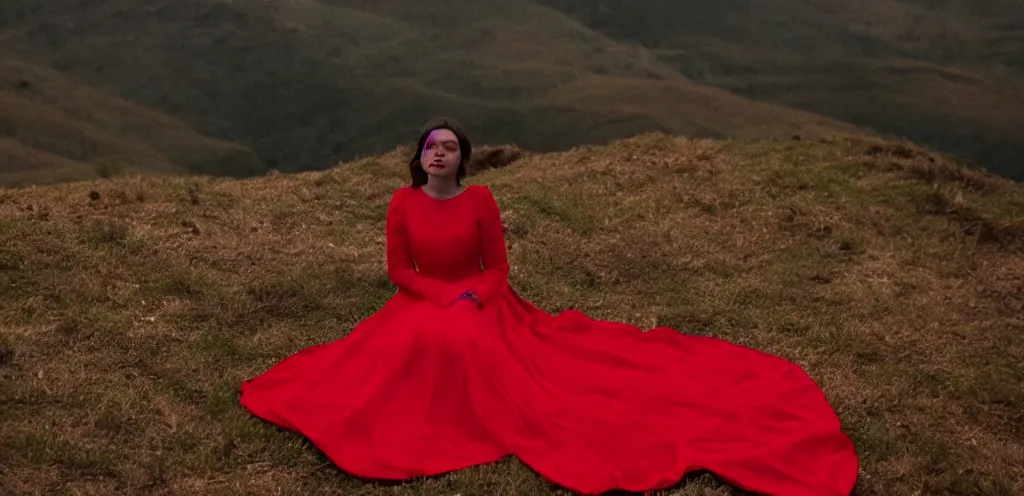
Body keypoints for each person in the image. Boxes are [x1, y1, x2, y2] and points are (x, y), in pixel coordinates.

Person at [239, 117, 860, 495]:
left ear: (463, 157)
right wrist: (438, 296)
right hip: (420, 302)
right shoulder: (402, 205)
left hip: (485, 304)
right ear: (419, 156)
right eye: (431, 145)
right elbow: (400, 270)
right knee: (408, 353)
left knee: (473, 348)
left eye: (450, 147)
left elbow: (499, 269)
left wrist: (473, 297)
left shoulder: (481, 201)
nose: (438, 153)